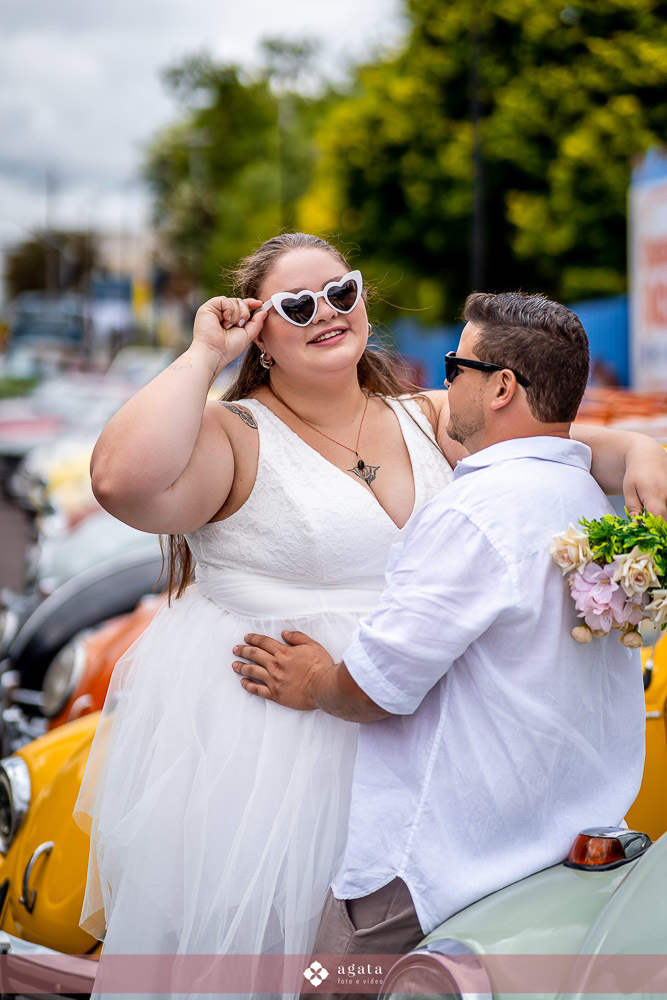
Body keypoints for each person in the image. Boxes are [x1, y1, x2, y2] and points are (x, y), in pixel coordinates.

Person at [76, 235, 663, 995]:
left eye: (340, 292)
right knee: (272, 964)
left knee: (403, 970)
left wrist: (642, 450)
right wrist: (202, 357)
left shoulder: (428, 417)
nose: (325, 312)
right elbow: (119, 481)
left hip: (412, 738)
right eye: (295, 305)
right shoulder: (233, 434)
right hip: (273, 749)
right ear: (261, 334)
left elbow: (553, 442)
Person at [233, 291, 647, 995]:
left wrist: (312, 682)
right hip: (562, 848)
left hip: (436, 867)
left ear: (500, 388)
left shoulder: (473, 513)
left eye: (455, 365)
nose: (442, 380)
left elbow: (377, 688)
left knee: (324, 985)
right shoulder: (583, 501)